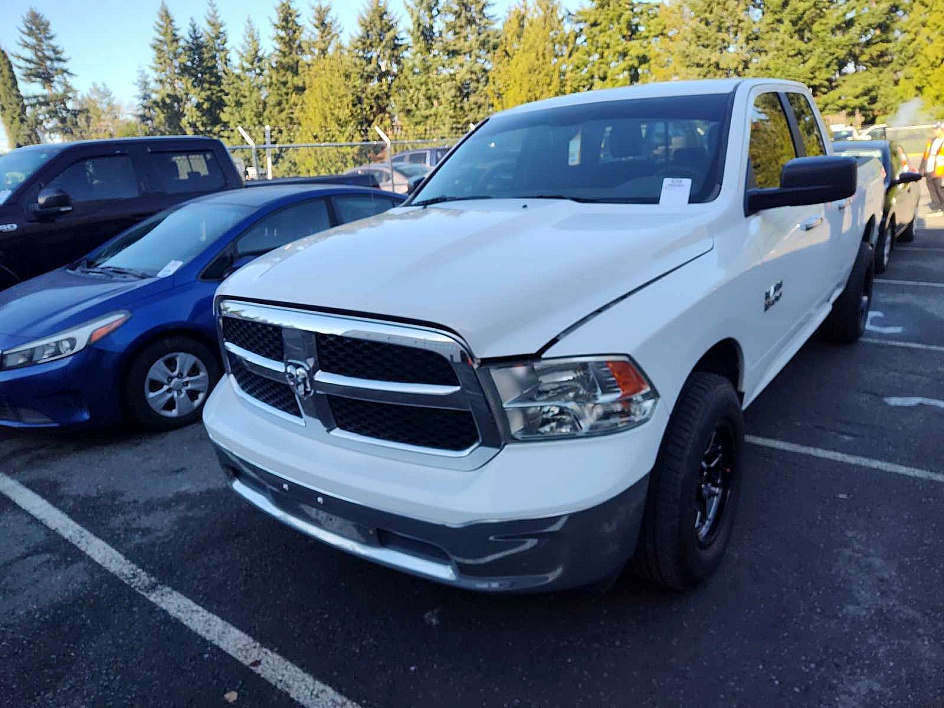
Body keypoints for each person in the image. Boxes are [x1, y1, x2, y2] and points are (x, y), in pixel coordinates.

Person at [921, 122, 944, 216]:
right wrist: (921, 168)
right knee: (932, 188)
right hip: (930, 169)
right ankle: (936, 206)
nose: (934, 131)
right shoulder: (931, 141)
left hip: (940, 171)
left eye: (936, 129)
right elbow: (925, 155)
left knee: (940, 189)